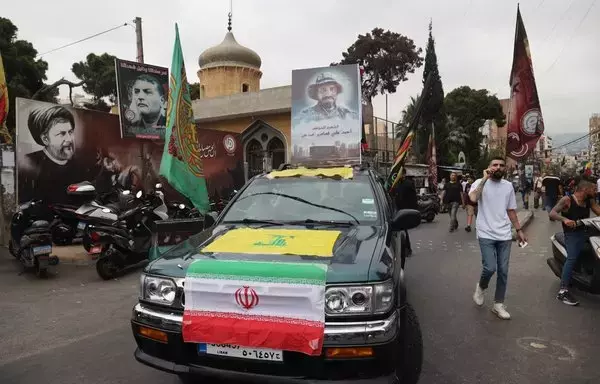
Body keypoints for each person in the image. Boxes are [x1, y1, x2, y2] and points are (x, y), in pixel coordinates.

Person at [469, 156, 527, 320]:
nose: (498, 167)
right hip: (485, 232)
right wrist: (485, 179)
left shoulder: (508, 186)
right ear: (488, 167)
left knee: (503, 271)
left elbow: (511, 210)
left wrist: (519, 230)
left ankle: (498, 304)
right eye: (495, 164)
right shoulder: (480, 182)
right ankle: (481, 287)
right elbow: (473, 199)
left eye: (502, 165)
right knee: (489, 268)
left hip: (504, 235)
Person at [549, 177, 600, 306]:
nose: (596, 191)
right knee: (572, 258)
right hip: (572, 234)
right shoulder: (567, 200)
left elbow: (598, 211)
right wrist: (564, 219)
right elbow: (552, 213)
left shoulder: (590, 200)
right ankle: (563, 291)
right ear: (585, 189)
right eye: (594, 189)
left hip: (587, 231)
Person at [19, 105, 86, 204]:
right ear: (45, 139)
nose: (69, 139)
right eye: (62, 134)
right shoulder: (28, 165)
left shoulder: (81, 165)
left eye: (70, 132)